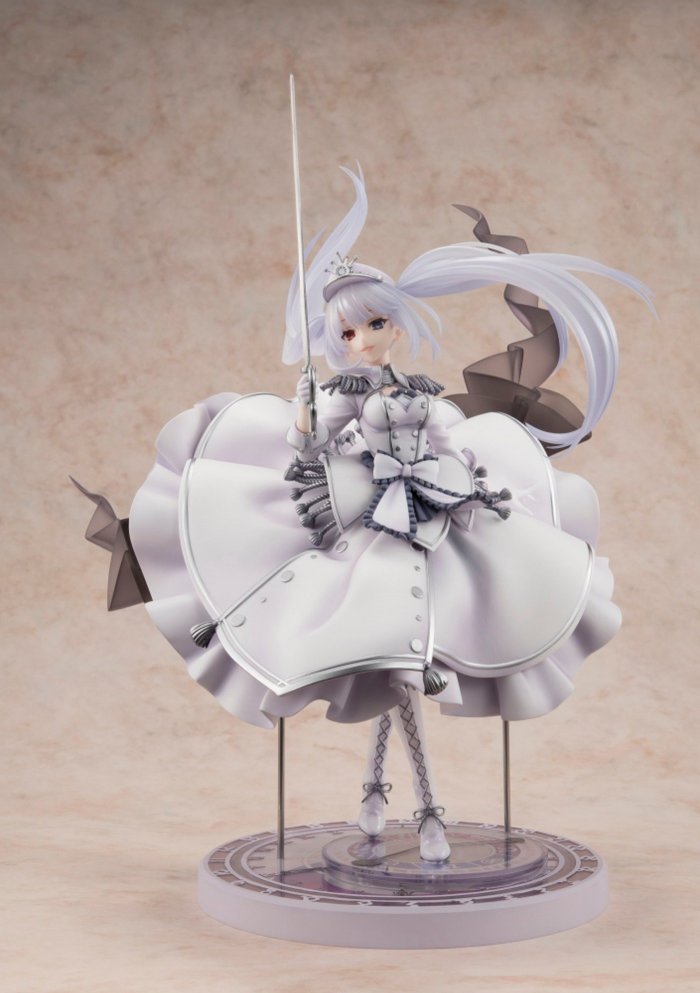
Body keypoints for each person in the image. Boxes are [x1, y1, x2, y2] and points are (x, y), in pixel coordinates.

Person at [84, 167, 653, 863]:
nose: (365, 339)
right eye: (350, 331)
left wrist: (467, 485)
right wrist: (304, 416)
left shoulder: (415, 388)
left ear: (396, 322)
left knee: (414, 657)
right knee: (396, 661)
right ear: (337, 340)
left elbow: (446, 440)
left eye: (376, 323)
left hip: (429, 517)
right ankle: (423, 806)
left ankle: (378, 791)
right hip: (368, 522)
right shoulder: (344, 393)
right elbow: (309, 445)